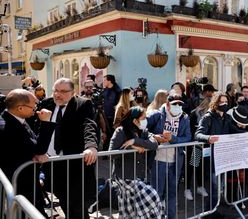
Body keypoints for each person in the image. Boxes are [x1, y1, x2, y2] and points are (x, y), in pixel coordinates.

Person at [39, 78, 98, 219]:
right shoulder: (46, 103)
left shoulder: (83, 104)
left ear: (73, 92)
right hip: (50, 162)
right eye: (56, 91)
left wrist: (91, 146)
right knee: (63, 200)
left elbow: (88, 125)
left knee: (77, 205)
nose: (58, 95)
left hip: (72, 164)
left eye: (63, 91)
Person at [0, 89, 56, 217]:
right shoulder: (7, 127)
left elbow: (33, 143)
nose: (36, 108)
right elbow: (38, 149)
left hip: (29, 182)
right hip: (20, 186)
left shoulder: (15, 118)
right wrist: (46, 122)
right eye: (33, 105)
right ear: (20, 108)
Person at [195, 92, 243, 216]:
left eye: (226, 102)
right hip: (211, 157)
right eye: (221, 102)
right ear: (215, 103)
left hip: (223, 156)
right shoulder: (208, 117)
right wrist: (208, 138)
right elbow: (198, 134)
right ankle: (209, 212)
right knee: (214, 186)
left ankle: (213, 210)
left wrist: (244, 133)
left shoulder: (227, 117)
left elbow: (233, 130)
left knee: (219, 186)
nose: (224, 104)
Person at [147, 90, 192, 219]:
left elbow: (188, 137)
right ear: (167, 104)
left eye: (180, 104)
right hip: (158, 160)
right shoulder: (157, 115)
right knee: (157, 193)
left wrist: (173, 139)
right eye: (174, 104)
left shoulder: (185, 118)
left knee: (172, 194)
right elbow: (142, 128)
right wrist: (154, 137)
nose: (177, 107)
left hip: (175, 161)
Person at [109, 106, 159, 180]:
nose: (146, 120)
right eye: (143, 118)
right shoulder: (120, 131)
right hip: (123, 177)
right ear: (135, 121)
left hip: (140, 176)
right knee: (152, 192)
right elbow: (111, 154)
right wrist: (131, 147)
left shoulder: (143, 131)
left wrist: (135, 141)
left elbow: (154, 144)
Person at [184, 97, 211, 201]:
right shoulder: (194, 114)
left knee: (202, 167)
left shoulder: (210, 115)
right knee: (192, 166)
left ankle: (200, 187)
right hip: (195, 145)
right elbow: (190, 130)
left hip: (205, 145)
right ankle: (187, 189)